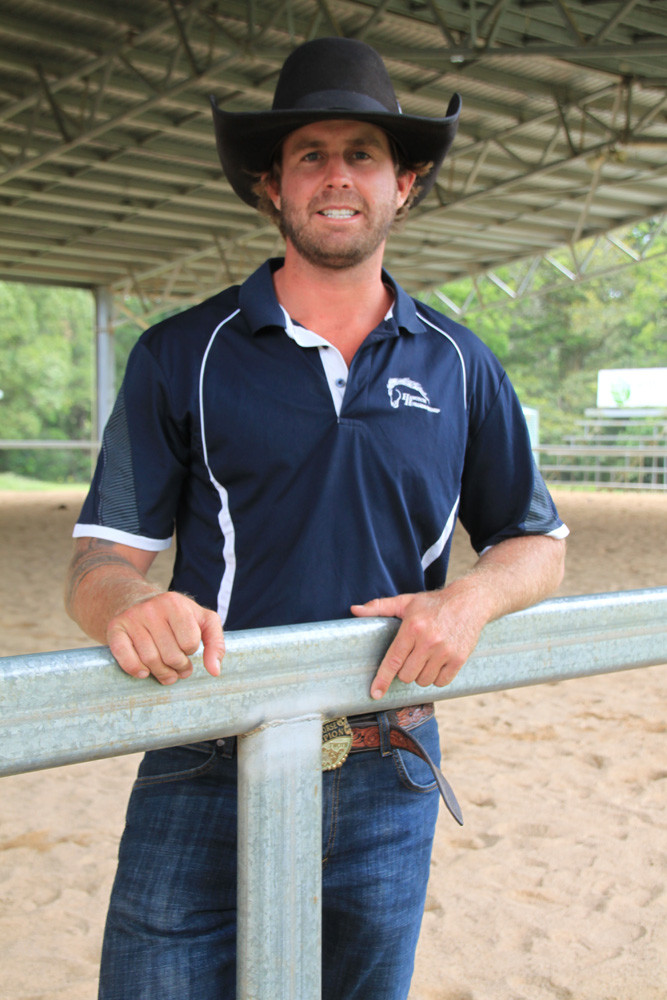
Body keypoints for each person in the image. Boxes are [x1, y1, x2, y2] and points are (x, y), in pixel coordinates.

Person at [65, 36, 567, 1000]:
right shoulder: (178, 354)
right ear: (273, 186)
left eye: (363, 154)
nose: (337, 175)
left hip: (389, 763)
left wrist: (468, 604)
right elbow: (100, 557)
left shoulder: (462, 364)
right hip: (204, 750)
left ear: (403, 185)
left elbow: (534, 541)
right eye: (311, 154)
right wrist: (125, 604)